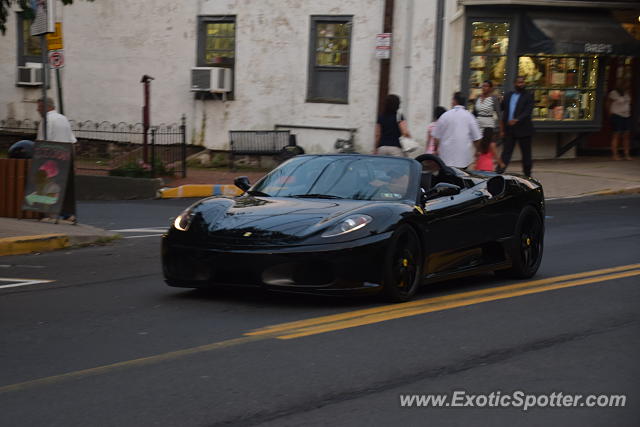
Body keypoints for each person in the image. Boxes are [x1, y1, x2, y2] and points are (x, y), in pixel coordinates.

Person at [431, 92, 482, 168]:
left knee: (446, 178)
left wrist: (436, 149)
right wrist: (476, 151)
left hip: (445, 158)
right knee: (461, 178)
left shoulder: (445, 116)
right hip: (463, 159)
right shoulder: (469, 117)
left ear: (454, 101)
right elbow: (477, 138)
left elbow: (436, 137)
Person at [497, 76, 534, 176]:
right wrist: (500, 101)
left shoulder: (528, 96)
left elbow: (528, 111)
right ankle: (498, 172)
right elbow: (502, 109)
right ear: (514, 84)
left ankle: (527, 175)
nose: (521, 84)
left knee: (526, 154)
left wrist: (517, 120)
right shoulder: (509, 95)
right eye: (519, 82)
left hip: (524, 129)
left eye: (522, 82)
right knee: (506, 152)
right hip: (510, 129)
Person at [473, 80, 501, 155]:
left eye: (486, 86)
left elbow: (499, 114)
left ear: (490, 88)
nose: (484, 88)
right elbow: (474, 113)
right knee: (477, 147)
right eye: (483, 86)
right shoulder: (477, 98)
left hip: (488, 125)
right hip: (478, 124)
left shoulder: (494, 99)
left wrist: (502, 130)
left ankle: (485, 164)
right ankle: (479, 163)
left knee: (485, 148)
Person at [607, 83, 633, 161]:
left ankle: (626, 154)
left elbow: (629, 102)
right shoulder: (613, 93)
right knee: (616, 134)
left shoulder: (626, 93)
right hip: (617, 115)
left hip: (627, 116)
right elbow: (608, 103)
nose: (625, 86)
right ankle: (615, 154)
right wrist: (609, 113)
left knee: (626, 135)